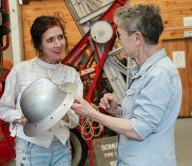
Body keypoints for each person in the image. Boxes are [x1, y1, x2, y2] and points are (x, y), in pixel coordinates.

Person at [71, 4, 182, 166]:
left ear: (137, 38)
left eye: (119, 34)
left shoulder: (159, 74)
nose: (117, 40)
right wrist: (117, 111)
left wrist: (92, 114)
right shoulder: (143, 69)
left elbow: (138, 129)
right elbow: (143, 116)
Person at [0, 15, 83, 166]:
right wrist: (21, 118)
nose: (58, 44)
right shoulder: (22, 70)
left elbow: (75, 120)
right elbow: (3, 108)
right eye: (50, 40)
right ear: (39, 45)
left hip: (62, 147)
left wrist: (62, 114)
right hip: (31, 148)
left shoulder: (71, 74)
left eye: (60, 37)